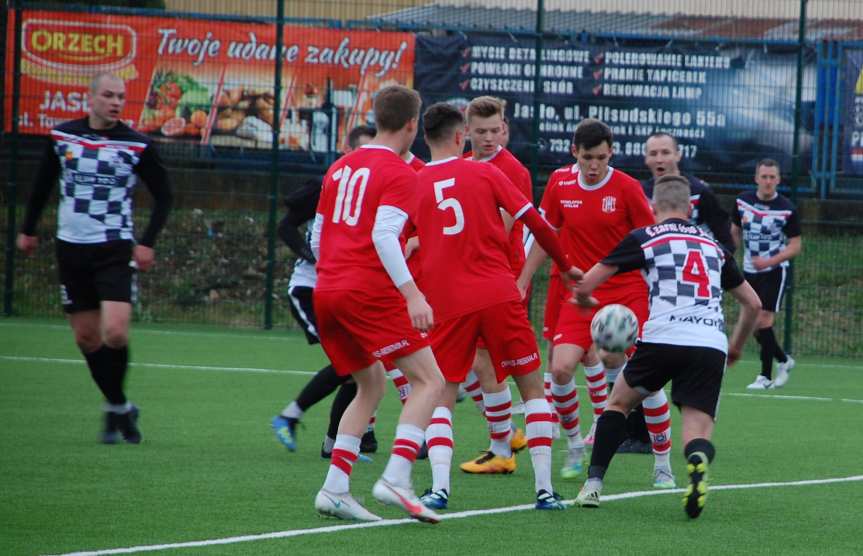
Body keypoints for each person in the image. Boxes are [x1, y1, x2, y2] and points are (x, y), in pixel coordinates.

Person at [412, 102, 582, 511]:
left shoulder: (413, 182)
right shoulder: (487, 172)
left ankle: (438, 490)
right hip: (498, 292)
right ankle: (544, 491)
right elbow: (540, 224)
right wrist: (567, 267)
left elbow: (393, 239)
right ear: (462, 135)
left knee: (441, 394)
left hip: (448, 302)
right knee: (532, 387)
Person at [574, 176, 762, 519]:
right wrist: (734, 347)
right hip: (709, 343)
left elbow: (589, 280)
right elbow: (753, 304)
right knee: (696, 429)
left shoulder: (645, 237)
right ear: (690, 208)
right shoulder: (714, 246)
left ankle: (593, 485)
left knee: (617, 404)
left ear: (652, 207)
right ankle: (696, 460)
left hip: (663, 336)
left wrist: (584, 296)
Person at [311, 85, 444, 523]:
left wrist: (335, 273)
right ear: (411, 125)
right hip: (364, 289)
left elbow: (317, 235)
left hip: (326, 288)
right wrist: (413, 294)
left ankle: (334, 490)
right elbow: (384, 236)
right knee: (430, 382)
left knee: (370, 385)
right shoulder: (402, 174)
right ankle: (397, 477)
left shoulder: (340, 167)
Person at [517, 119, 675, 488]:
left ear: (611, 154)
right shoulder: (559, 182)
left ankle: (663, 462)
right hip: (582, 293)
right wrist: (523, 279)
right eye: (588, 157)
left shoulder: (627, 188)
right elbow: (545, 234)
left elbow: (651, 242)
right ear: (575, 152)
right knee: (559, 370)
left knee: (644, 379)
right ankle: (574, 445)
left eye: (601, 158)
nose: (594, 166)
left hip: (626, 292)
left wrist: (662, 292)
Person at [17, 72, 173, 444]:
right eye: (108, 95)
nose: (116, 102)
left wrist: (147, 242)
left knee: (115, 333)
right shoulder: (62, 137)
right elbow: (41, 184)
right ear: (91, 98)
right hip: (71, 247)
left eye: (120, 96)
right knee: (87, 338)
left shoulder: (137, 145)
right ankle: (118, 405)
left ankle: (115, 407)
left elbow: (165, 195)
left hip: (115, 246)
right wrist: (28, 229)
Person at [616, 132, 735, 454]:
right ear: (645, 159)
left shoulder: (700, 193)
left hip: (692, 290)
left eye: (665, 152)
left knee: (659, 354)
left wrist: (714, 269)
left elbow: (725, 238)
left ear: (678, 156)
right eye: (653, 153)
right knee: (640, 356)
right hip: (650, 284)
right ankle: (638, 433)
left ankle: (649, 434)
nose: (659, 159)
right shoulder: (640, 193)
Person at [271, 125, 381, 458]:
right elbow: (286, 225)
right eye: (360, 150)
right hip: (310, 291)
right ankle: (289, 416)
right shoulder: (327, 185)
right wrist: (308, 257)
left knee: (358, 370)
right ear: (347, 152)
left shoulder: (375, 190)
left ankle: (333, 443)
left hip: (345, 293)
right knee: (350, 367)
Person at [458, 96, 533, 475]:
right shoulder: (464, 165)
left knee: (488, 363)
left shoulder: (511, 169)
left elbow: (498, 229)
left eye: (495, 130)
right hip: (469, 277)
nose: (489, 138)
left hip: (499, 277)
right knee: (474, 361)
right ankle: (507, 435)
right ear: (466, 129)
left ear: (504, 127)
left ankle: (502, 448)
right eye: (481, 131)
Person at [732, 159, 802, 390]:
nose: (768, 181)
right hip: (749, 271)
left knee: (763, 320)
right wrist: (728, 254)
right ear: (756, 178)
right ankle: (783, 360)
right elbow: (735, 231)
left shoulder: (787, 209)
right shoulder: (742, 201)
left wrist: (769, 261)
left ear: (779, 180)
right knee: (753, 324)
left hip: (774, 271)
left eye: (773, 177)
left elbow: (795, 246)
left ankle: (764, 376)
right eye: (764, 177)